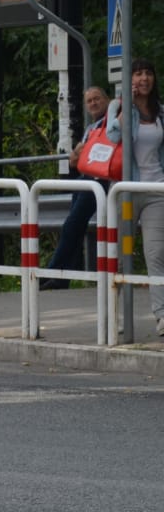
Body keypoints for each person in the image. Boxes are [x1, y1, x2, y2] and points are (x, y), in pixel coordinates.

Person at [103, 59, 164, 335]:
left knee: (156, 254)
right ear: (129, 80)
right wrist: (126, 105)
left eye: (148, 73)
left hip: (156, 191)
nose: (143, 79)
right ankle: (112, 315)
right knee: (116, 254)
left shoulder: (160, 111)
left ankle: (162, 316)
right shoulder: (118, 107)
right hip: (126, 191)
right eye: (138, 74)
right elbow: (113, 137)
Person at [40, 85, 111, 290]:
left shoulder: (113, 122)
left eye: (97, 99)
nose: (94, 103)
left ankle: (53, 273)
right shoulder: (91, 129)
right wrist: (81, 149)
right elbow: (73, 160)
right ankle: (61, 278)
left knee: (71, 225)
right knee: (74, 227)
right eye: (89, 101)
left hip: (101, 180)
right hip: (86, 179)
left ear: (106, 100)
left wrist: (83, 150)